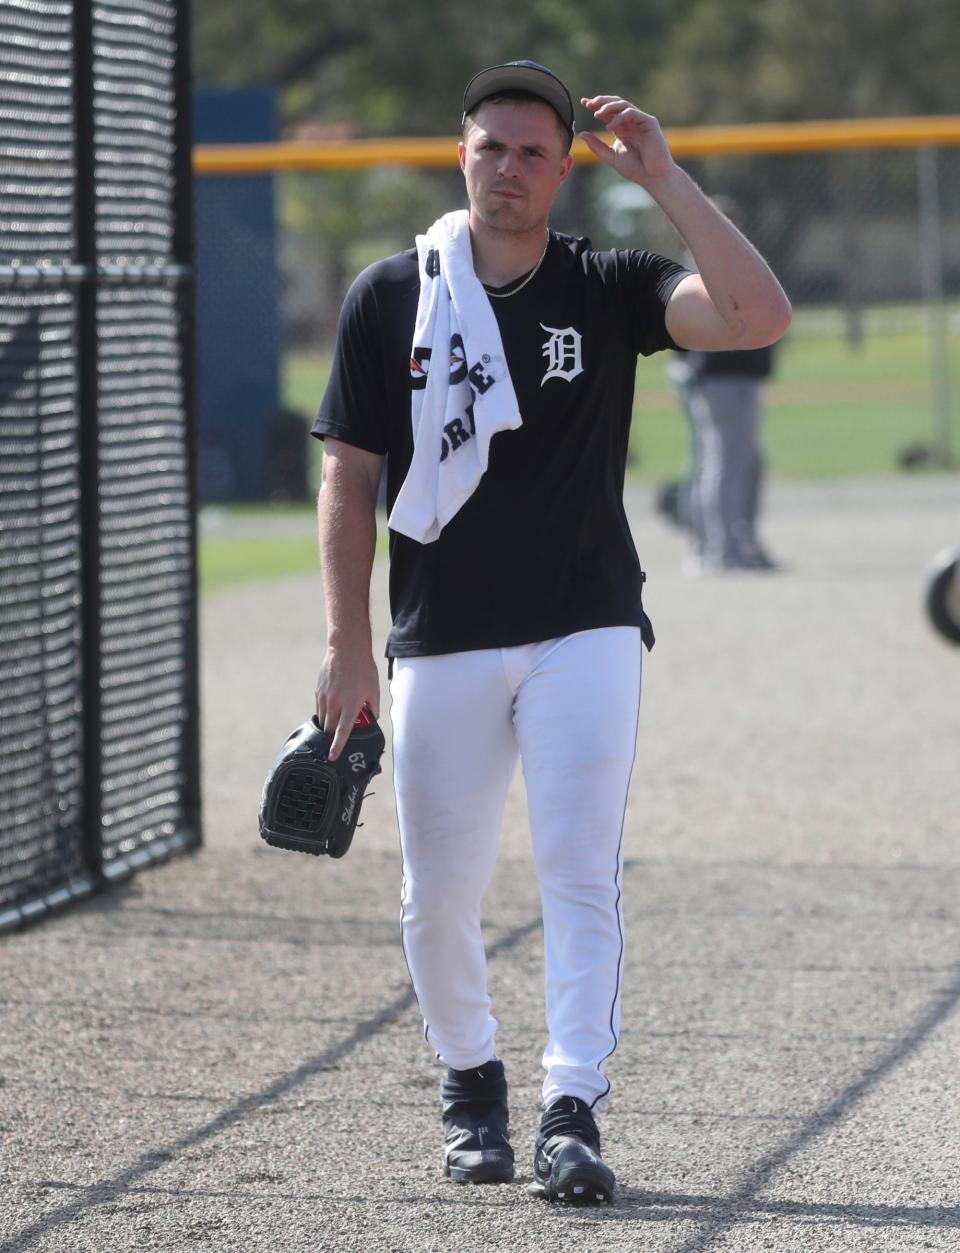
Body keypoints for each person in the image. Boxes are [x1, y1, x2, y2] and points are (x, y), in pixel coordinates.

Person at [311, 61, 791, 1203]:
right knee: (439, 888)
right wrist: (343, 645)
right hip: (442, 631)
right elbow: (348, 476)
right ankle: (472, 1082)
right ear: (460, 152)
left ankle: (571, 1103)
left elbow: (756, 314)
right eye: (492, 146)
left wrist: (669, 181)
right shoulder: (394, 294)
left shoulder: (608, 284)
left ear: (563, 170)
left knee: (581, 871)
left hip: (586, 623)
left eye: (534, 152)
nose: (510, 168)